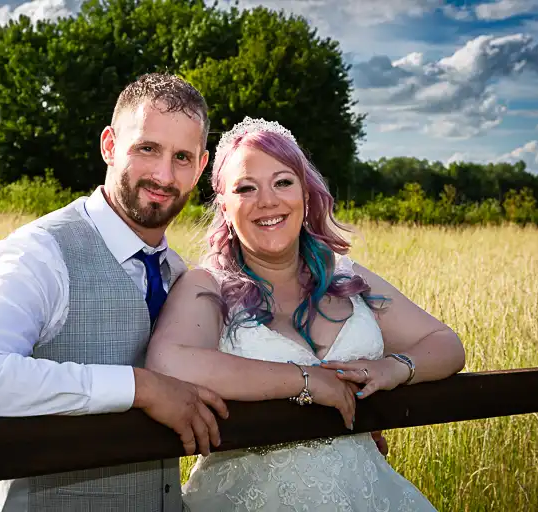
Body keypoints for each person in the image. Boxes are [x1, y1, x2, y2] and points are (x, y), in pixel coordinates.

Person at [0, 73, 387, 511]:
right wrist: (141, 387)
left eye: (182, 158)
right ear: (110, 146)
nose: (162, 174)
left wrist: (325, 423)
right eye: (146, 149)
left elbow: (228, 380)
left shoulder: (179, 275)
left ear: (200, 170)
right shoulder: (42, 252)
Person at [145, 117, 467, 511]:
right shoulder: (206, 285)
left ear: (306, 194)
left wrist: (393, 368)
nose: (268, 201)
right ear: (225, 207)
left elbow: (446, 344)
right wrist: (303, 381)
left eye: (283, 182)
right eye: (246, 188)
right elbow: (169, 361)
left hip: (366, 494)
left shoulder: (348, 276)